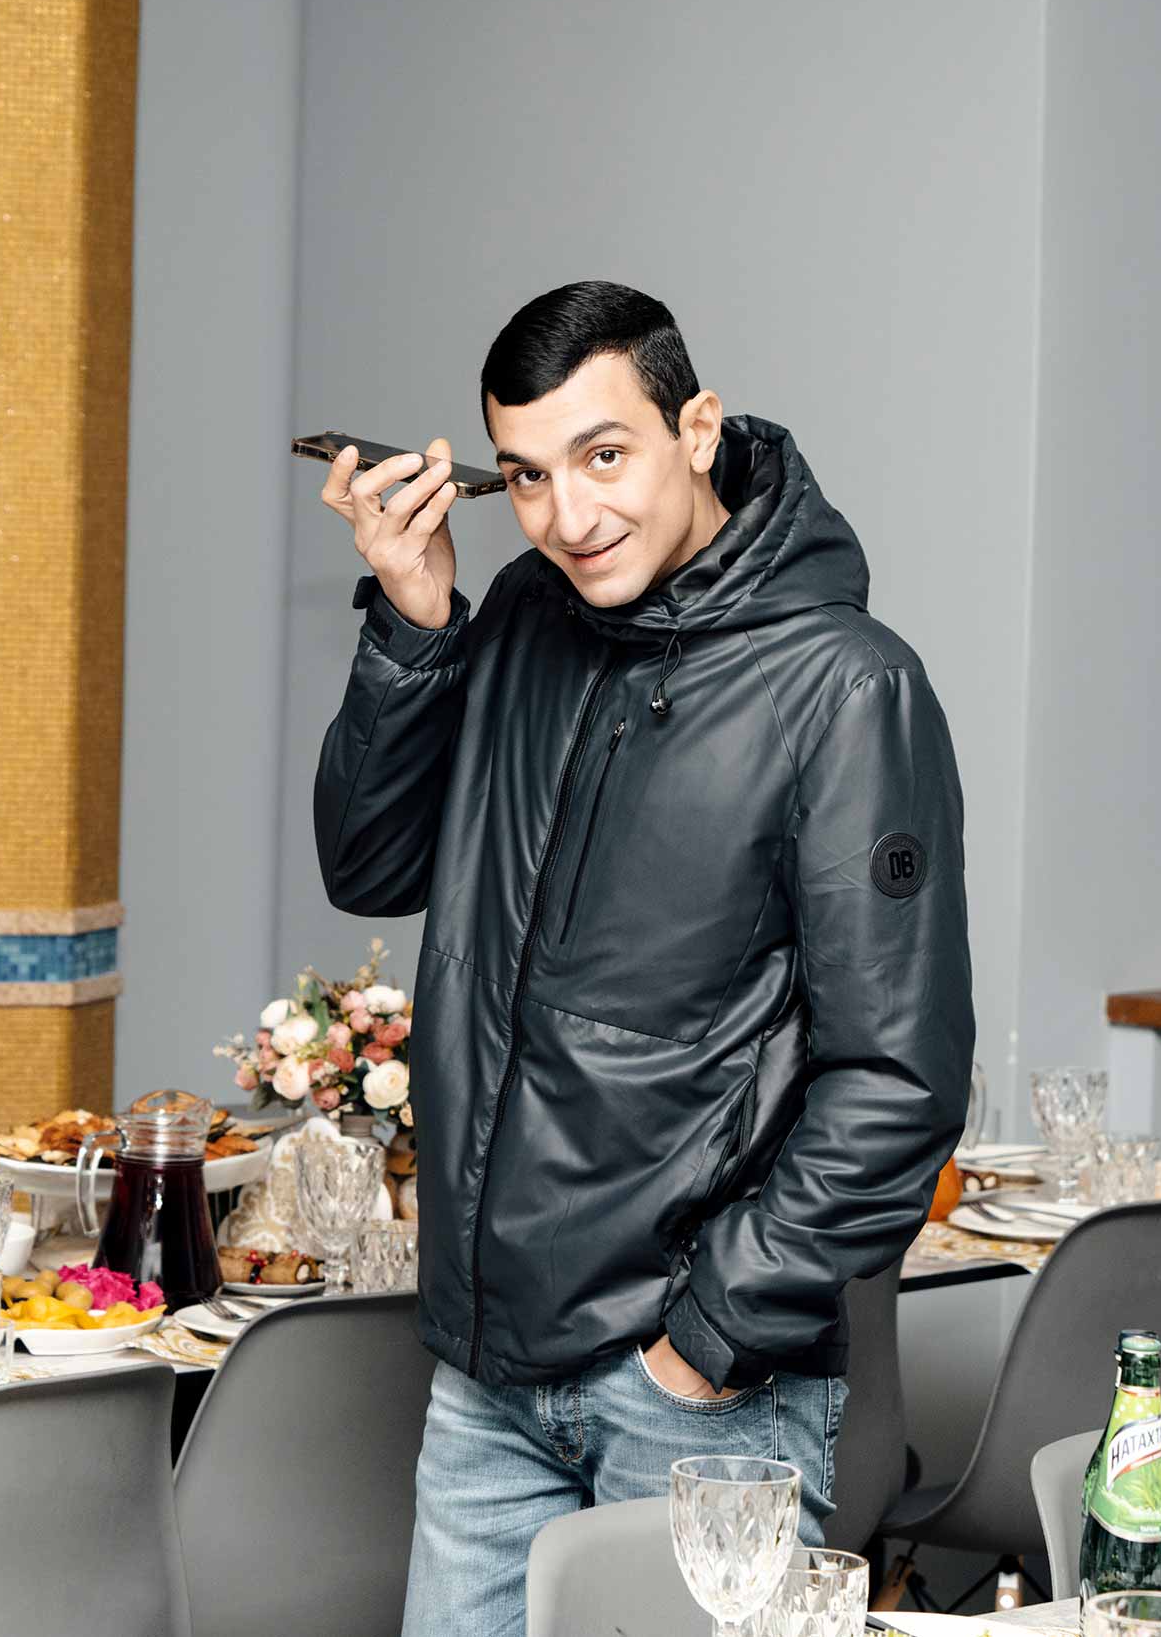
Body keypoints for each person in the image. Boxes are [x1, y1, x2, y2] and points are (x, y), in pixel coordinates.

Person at [312, 280, 974, 1636]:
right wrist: (415, 621)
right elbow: (368, 868)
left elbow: (899, 1079)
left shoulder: (849, 688)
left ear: (699, 430)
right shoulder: (520, 619)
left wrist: (710, 1339)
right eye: (527, 475)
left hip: (696, 1395)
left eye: (604, 455)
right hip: (489, 1376)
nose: (570, 516)